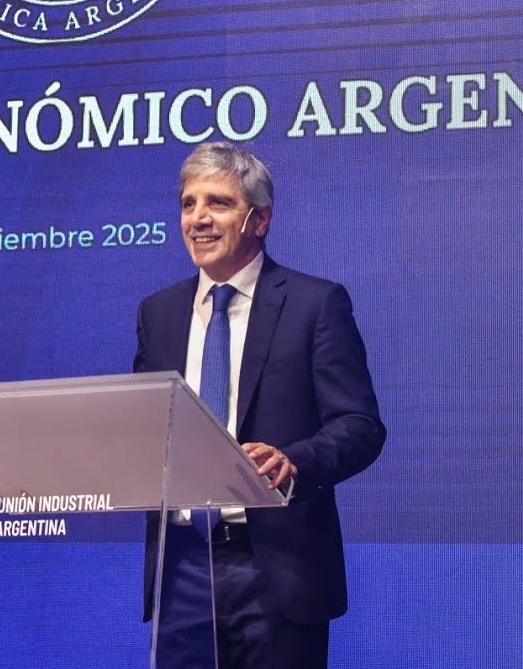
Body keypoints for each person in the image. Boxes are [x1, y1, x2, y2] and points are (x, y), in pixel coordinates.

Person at [133, 142, 385, 669]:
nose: (198, 218)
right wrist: (31, 475)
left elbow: (359, 425)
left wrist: (295, 461)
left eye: (218, 203)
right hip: (182, 568)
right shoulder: (159, 312)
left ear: (260, 220)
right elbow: (138, 430)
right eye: (188, 204)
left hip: (277, 568)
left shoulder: (315, 304)